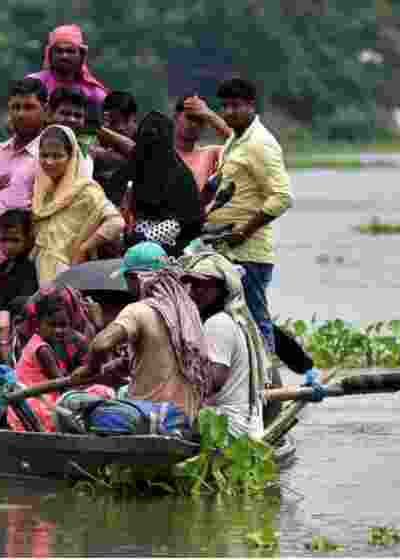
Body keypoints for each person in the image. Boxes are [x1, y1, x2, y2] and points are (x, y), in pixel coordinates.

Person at [203, 78, 293, 354]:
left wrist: (245, 230)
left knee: (255, 320)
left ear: (251, 106)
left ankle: (266, 383)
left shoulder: (260, 143)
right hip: (225, 248)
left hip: (249, 252)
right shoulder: (235, 138)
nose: (229, 112)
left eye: (236, 106)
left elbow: (282, 196)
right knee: (231, 320)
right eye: (225, 107)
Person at [74, 242, 210, 420]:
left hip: (148, 418)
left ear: (134, 278)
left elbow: (100, 344)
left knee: (75, 410)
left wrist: (90, 368)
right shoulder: (187, 312)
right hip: (184, 418)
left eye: (126, 279)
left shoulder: (139, 310)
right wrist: (120, 364)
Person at [180, 252, 269, 439]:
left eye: (202, 285)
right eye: (192, 285)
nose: (194, 291)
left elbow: (213, 382)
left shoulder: (217, 323)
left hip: (228, 428)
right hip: (245, 425)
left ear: (223, 289)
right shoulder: (238, 319)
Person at [30, 125, 124, 285]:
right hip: (40, 271)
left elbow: (116, 222)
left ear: (71, 156)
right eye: (44, 155)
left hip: (67, 272)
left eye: (57, 156)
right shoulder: (42, 192)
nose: (49, 162)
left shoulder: (85, 190)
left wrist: (83, 248)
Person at [0, 78, 50, 271]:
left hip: (20, 265)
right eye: (15, 107)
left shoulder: (49, 158)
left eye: (29, 107)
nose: (20, 114)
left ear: (45, 110)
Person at [122, 112, 204, 257]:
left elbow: (185, 220)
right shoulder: (136, 165)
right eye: (147, 137)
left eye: (157, 139)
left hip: (170, 248)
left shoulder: (180, 175)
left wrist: (146, 238)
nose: (151, 144)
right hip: (129, 241)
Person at [7, 292, 89, 432]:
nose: (58, 330)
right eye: (52, 325)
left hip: (32, 403)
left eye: (63, 325)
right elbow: (62, 385)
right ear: (38, 323)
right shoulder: (42, 349)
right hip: (34, 407)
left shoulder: (45, 343)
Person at [26, 24, 108, 124]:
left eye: (70, 51)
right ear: (50, 54)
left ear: (81, 55)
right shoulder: (33, 83)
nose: (64, 56)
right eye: (59, 51)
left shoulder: (95, 93)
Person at [174, 95, 232, 213]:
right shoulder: (160, 152)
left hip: (196, 225)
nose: (194, 124)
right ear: (176, 117)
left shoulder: (212, 154)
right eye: (190, 118)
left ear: (206, 124)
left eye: (200, 120)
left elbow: (243, 144)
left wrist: (209, 115)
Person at [93, 91, 138, 207]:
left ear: (133, 118)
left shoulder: (144, 139)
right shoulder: (97, 139)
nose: (119, 127)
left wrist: (102, 131)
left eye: (115, 122)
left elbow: (137, 153)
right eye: (108, 122)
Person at [0, 208, 38, 317]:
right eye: (3, 240)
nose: (9, 246)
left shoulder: (30, 266)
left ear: (29, 238)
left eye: (15, 240)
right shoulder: (4, 267)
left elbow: (24, 300)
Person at [46, 87, 95, 177]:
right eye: (65, 113)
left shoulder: (87, 156)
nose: (72, 120)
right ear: (50, 114)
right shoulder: (32, 149)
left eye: (78, 115)